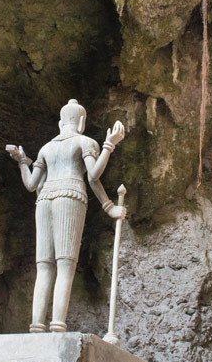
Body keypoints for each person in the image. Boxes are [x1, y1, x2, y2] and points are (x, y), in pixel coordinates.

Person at [7, 100, 126, 333]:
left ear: (61, 122)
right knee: (65, 265)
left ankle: (36, 326)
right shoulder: (85, 141)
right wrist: (108, 146)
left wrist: (22, 161)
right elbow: (92, 176)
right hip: (70, 196)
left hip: (44, 200)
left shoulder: (45, 148)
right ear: (82, 122)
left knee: (44, 266)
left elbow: (31, 184)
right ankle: (58, 325)